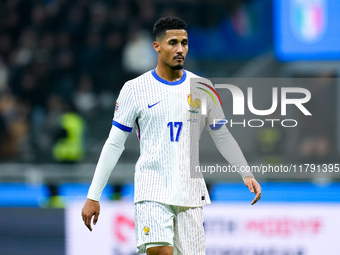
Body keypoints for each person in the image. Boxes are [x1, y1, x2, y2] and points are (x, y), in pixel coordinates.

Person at [81, 16, 261, 255]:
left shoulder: (203, 87)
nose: (180, 49)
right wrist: (94, 195)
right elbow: (114, 143)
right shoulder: (134, 89)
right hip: (151, 189)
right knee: (161, 252)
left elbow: (222, 135)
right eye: (173, 42)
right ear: (157, 47)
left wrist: (245, 172)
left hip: (190, 193)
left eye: (184, 43)